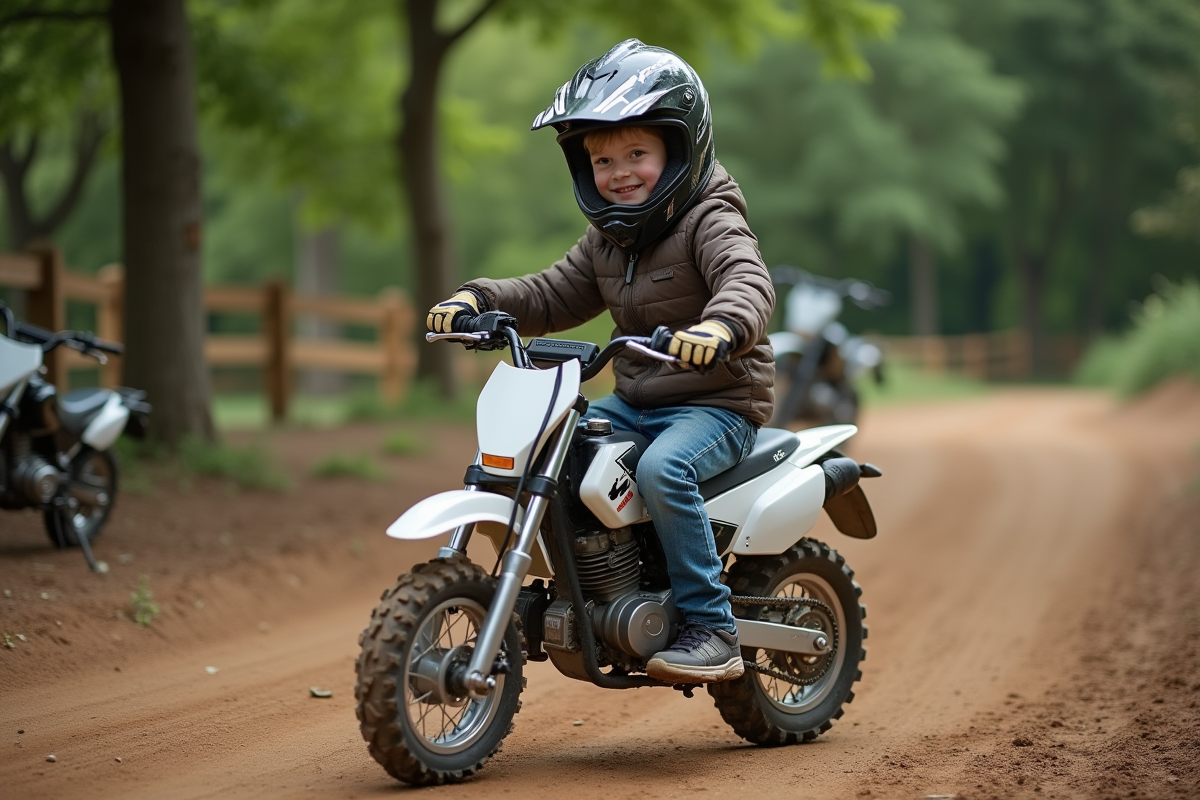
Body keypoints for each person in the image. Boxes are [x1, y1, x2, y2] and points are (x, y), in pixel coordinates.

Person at [426, 39, 775, 683]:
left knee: (666, 470)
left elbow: (747, 281)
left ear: (680, 148)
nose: (619, 172)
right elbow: (551, 293)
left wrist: (722, 326)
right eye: (603, 158)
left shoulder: (710, 217)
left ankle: (711, 626)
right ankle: (591, 591)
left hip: (717, 400)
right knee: (551, 450)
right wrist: (477, 297)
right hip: (638, 400)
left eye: (636, 154)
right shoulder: (610, 237)